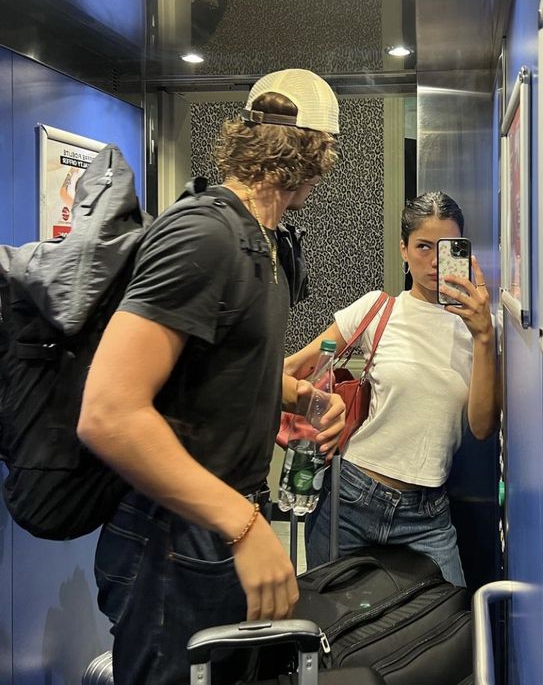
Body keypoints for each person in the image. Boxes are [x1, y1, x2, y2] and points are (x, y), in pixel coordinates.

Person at [77, 68, 346, 685]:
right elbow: (109, 413)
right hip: (171, 536)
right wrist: (245, 526)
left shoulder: (270, 242)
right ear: (313, 151)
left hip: (213, 526)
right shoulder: (204, 234)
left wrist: (292, 396)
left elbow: (216, 362)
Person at [284, 192, 501, 586]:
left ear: (464, 252)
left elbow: (483, 427)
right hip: (351, 495)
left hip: (428, 512)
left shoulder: (480, 328)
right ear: (403, 250)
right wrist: (320, 405)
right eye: (422, 246)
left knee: (452, 624)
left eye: (447, 248)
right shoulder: (377, 309)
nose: (435, 261)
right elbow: (292, 370)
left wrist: (484, 335)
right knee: (329, 623)